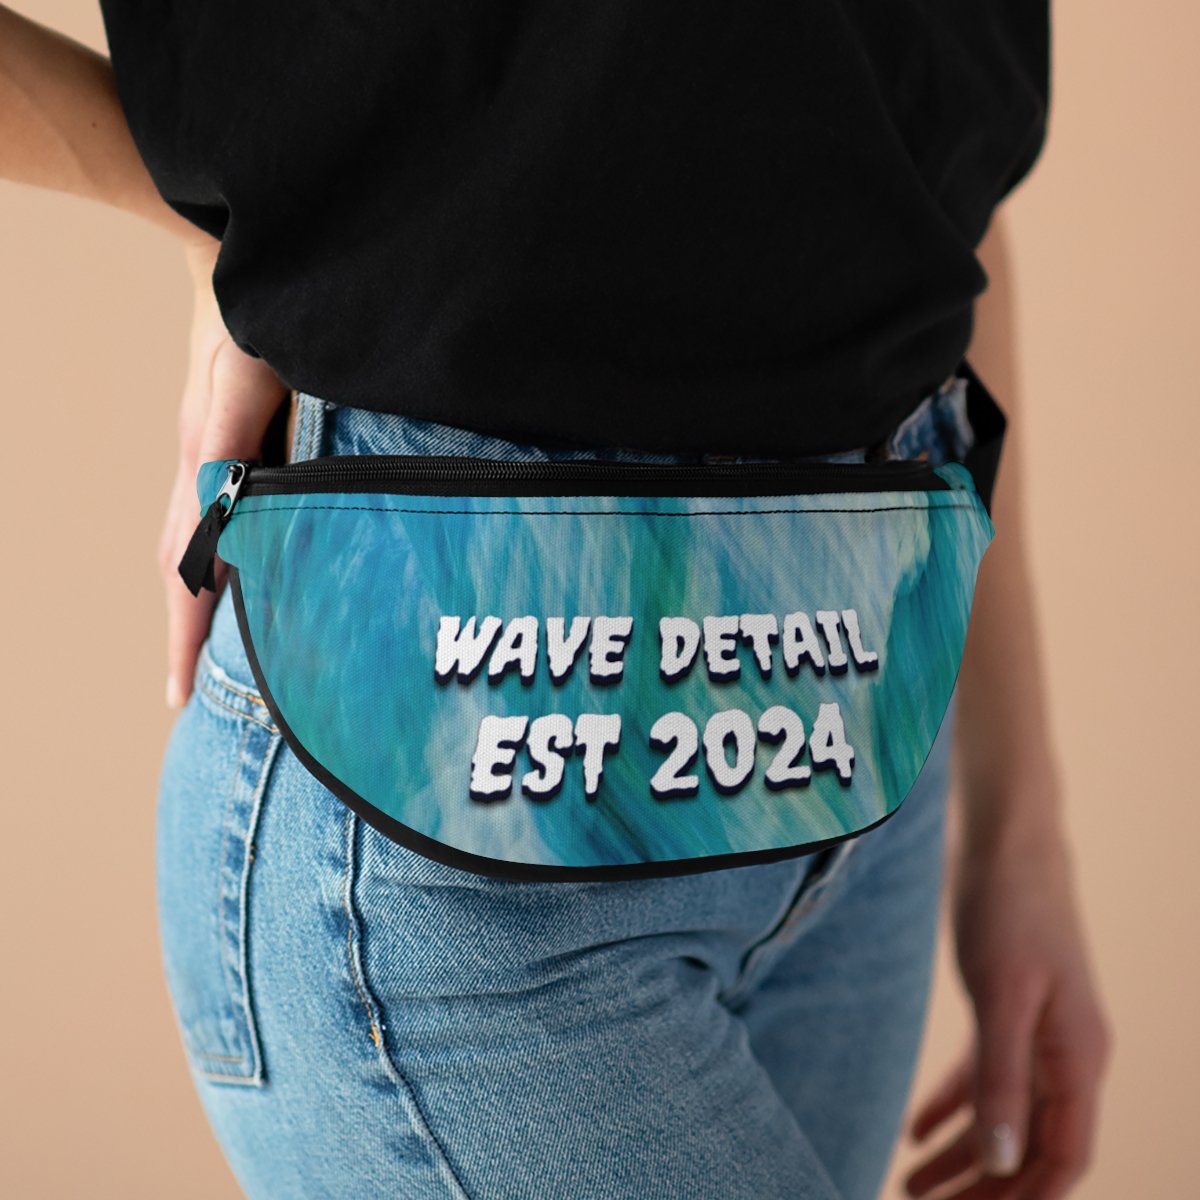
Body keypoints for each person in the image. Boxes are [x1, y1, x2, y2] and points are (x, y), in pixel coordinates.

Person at [1, 4, 1111, 1198]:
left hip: (871, 738)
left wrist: (1020, 825)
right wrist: (217, 233)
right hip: (455, 825)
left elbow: (934, 169)